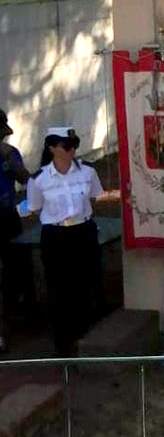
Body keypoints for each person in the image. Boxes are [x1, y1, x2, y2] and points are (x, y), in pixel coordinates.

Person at [27, 127, 104, 356]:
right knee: (59, 288)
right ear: (52, 148)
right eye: (66, 146)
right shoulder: (39, 179)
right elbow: (35, 208)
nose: (72, 150)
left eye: (74, 145)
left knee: (86, 283)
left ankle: (86, 338)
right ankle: (63, 343)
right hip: (56, 236)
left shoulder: (87, 172)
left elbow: (94, 197)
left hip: (83, 232)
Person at [0, 110, 30, 352]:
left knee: (18, 264)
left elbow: (25, 179)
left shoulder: (10, 154)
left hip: (8, 217)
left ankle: (18, 305)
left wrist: (12, 162)